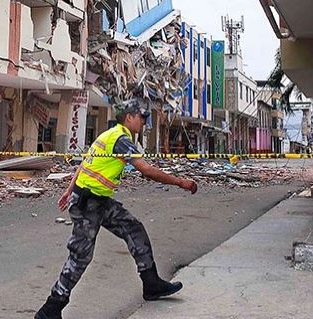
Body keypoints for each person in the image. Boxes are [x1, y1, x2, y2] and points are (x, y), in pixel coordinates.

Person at [35, 99, 199, 319]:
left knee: (134, 229)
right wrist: (181, 182)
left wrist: (68, 190)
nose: (143, 122)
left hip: (98, 200)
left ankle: (151, 284)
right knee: (80, 257)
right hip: (88, 203)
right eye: (141, 118)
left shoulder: (109, 135)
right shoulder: (120, 138)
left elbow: (85, 164)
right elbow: (146, 170)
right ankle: (51, 309)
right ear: (129, 117)